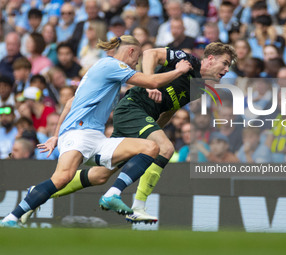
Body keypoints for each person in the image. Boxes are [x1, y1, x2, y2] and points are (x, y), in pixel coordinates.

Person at [0, 35, 192, 228]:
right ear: (131, 51)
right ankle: (12, 218)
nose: (137, 62)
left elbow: (69, 103)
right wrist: (179, 70)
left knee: (150, 147)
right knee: (62, 178)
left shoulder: (103, 72)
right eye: (138, 56)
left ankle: (113, 193)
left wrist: (55, 136)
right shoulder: (111, 65)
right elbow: (151, 81)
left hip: (96, 138)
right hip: (78, 132)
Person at [43, 42, 237, 224]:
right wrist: (150, 83)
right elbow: (150, 53)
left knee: (99, 176)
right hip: (133, 108)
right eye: (225, 63)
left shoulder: (200, 88)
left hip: (141, 119)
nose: (227, 70)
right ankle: (134, 205)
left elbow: (169, 110)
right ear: (210, 58)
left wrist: (155, 130)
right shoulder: (186, 60)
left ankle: (39, 193)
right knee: (166, 148)